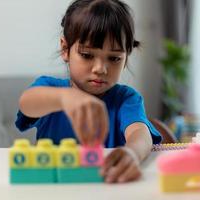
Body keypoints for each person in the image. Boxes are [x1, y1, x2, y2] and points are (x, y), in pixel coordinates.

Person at [15, 0, 162, 183]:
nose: (100, 68)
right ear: (65, 49)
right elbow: (26, 103)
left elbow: (140, 134)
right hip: (53, 188)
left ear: (126, 57)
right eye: (87, 55)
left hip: (105, 186)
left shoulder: (126, 98)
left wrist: (132, 153)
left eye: (114, 58)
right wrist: (64, 98)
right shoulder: (49, 88)